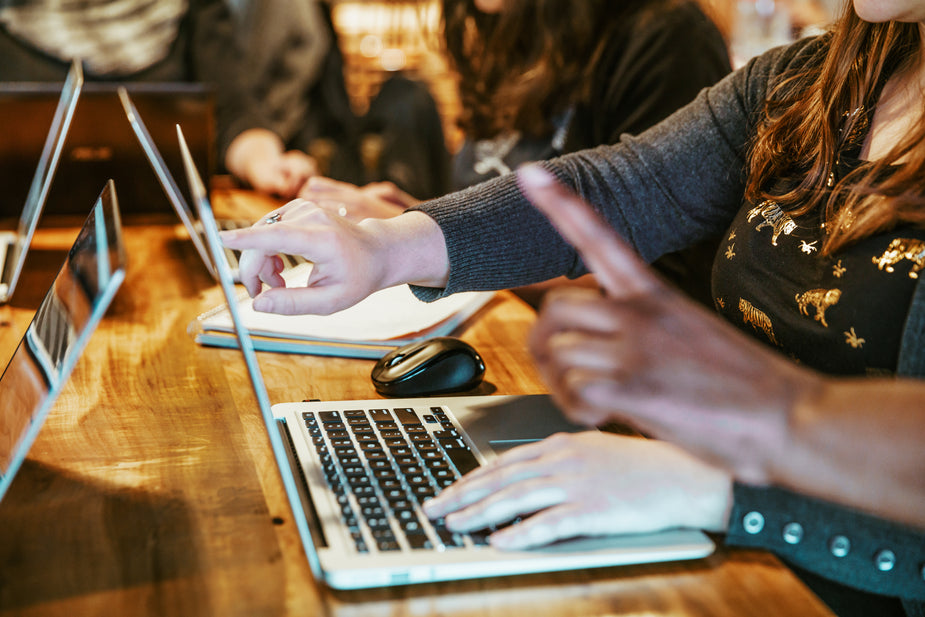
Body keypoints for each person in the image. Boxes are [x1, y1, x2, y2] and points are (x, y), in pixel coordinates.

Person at [220, 0, 925, 613]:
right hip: (692, 508)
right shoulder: (810, 77)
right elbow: (621, 186)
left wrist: (719, 490)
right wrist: (385, 247)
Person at [297, 0, 731, 305]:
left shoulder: (666, 38)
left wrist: (420, 247)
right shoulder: (511, 27)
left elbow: (648, 284)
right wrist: (416, 224)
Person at [0, 0, 326, 199]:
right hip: (23, 238)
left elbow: (231, 111)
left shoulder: (191, 7)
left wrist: (266, 163)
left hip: (169, 234)